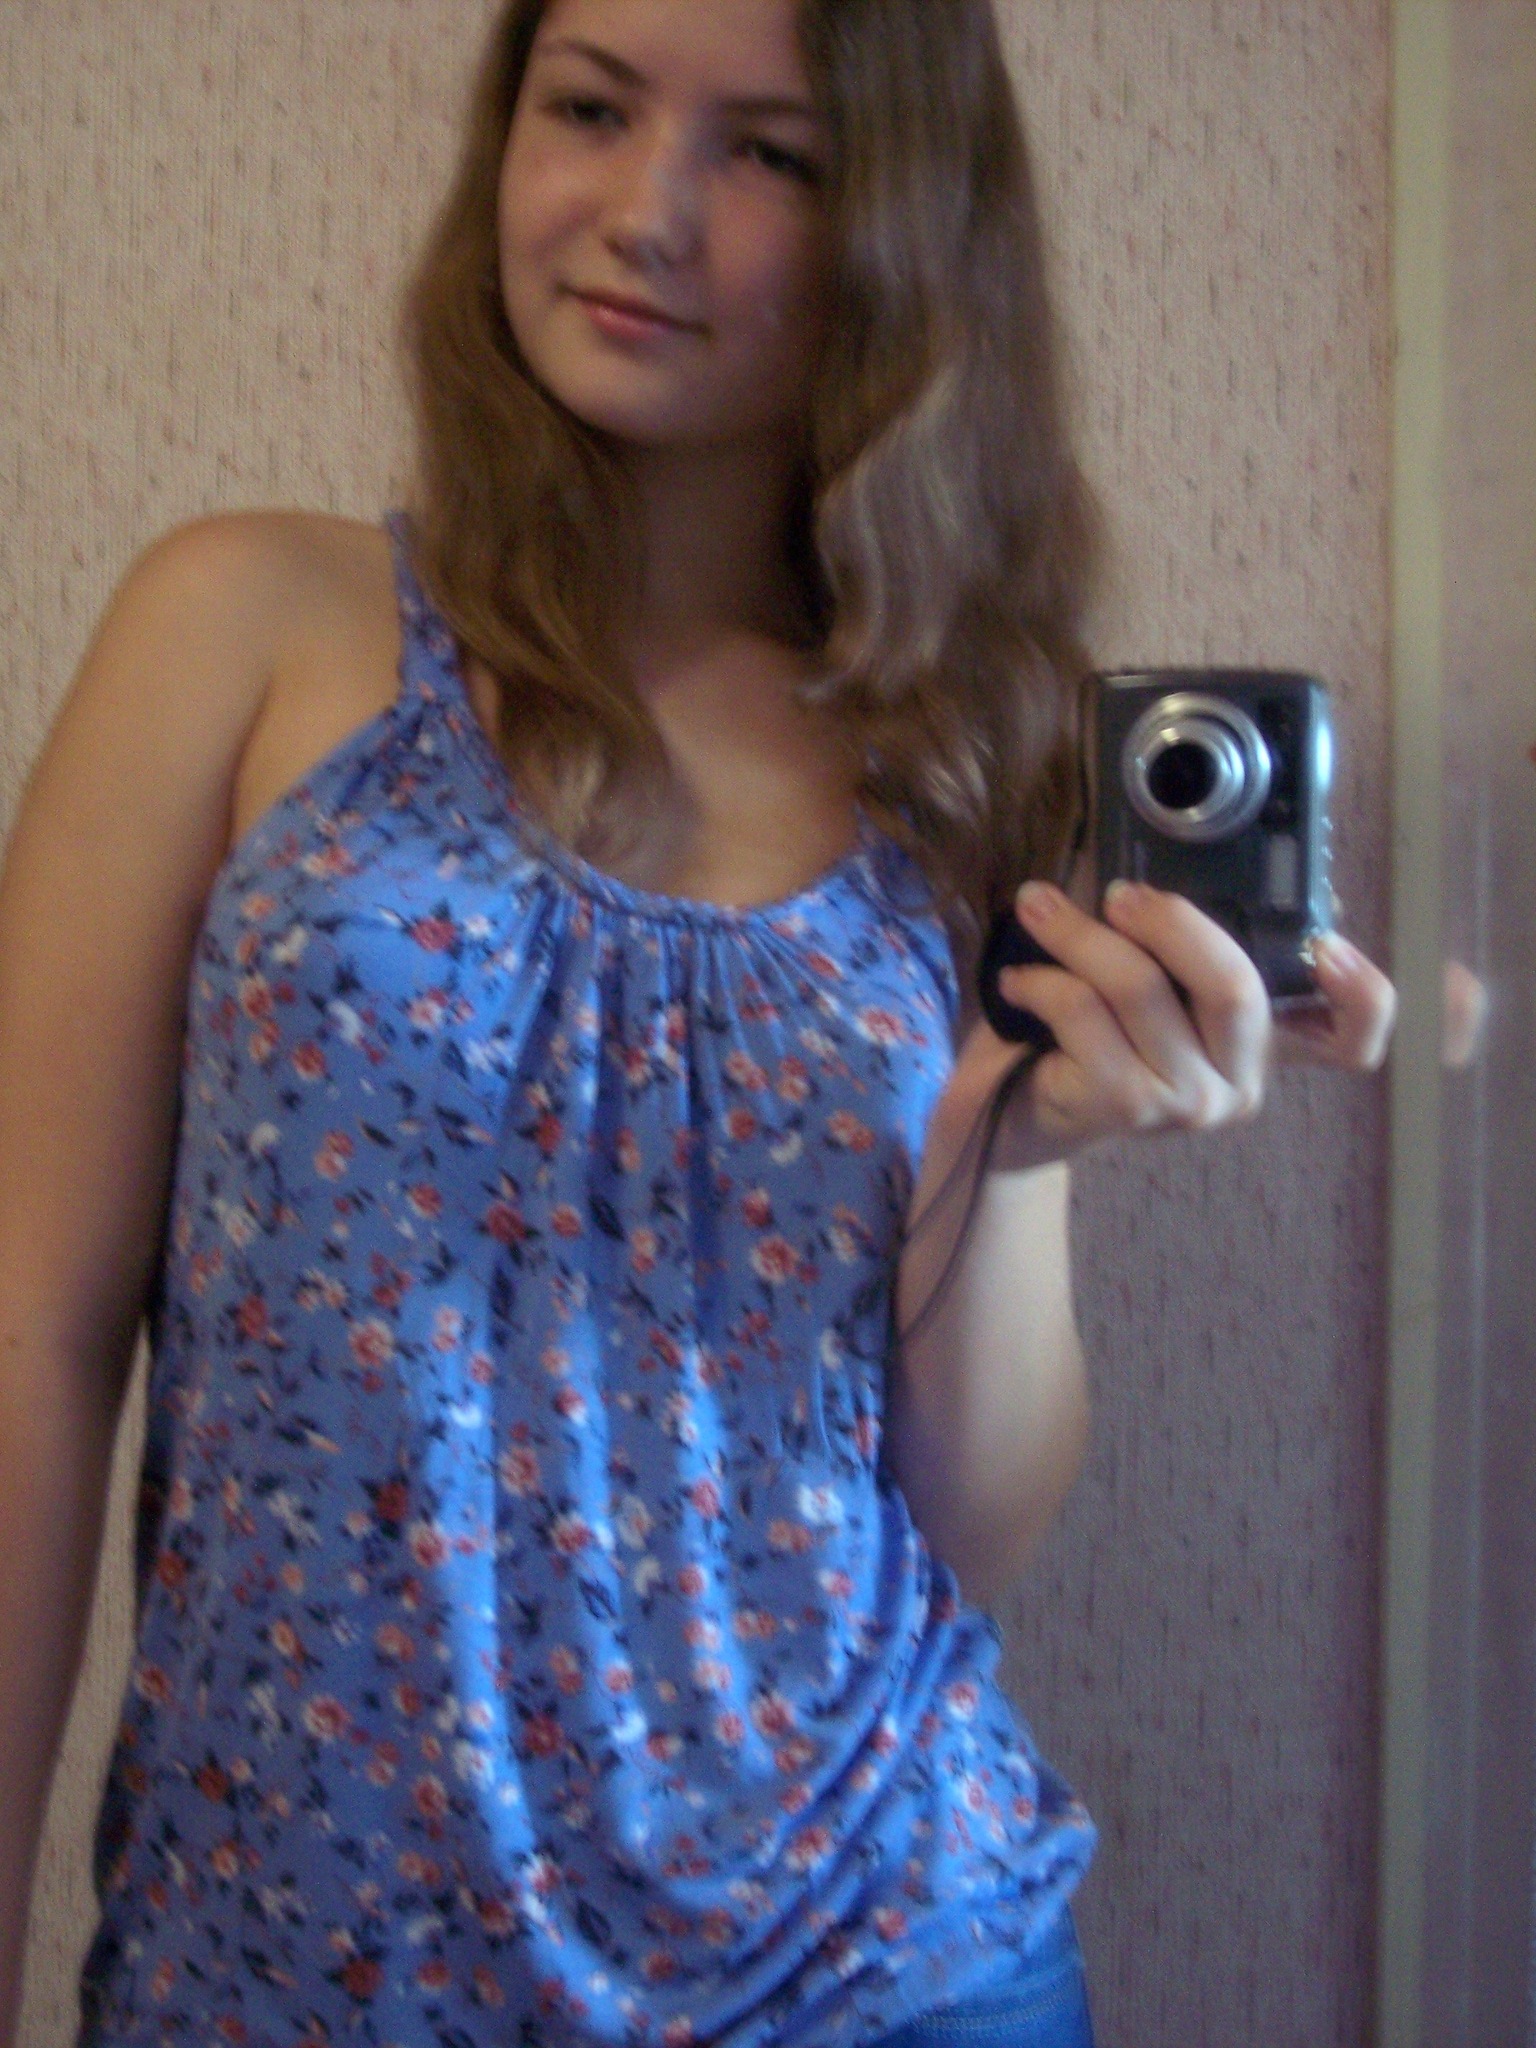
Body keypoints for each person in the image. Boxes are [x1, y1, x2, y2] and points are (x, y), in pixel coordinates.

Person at [0, 2, 1397, 2045]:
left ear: (899, 229)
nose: (647, 209)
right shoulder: (245, 624)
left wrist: (1013, 1153)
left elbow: (969, 1519)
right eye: (589, 105)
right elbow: (28, 1334)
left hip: (884, 1964)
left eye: (772, 153)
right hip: (295, 1969)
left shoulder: (970, 755)